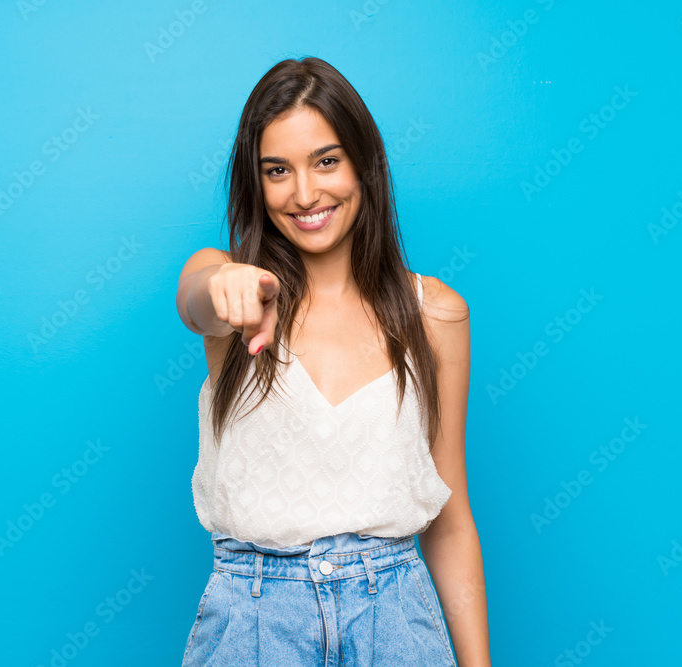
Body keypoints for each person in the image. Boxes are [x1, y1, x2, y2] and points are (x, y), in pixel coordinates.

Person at [175, 56, 491, 666]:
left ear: (363, 165)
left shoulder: (436, 313)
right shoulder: (231, 290)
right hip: (255, 625)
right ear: (256, 183)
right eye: (277, 170)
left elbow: (450, 522)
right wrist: (225, 285)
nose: (305, 193)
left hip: (396, 620)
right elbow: (197, 301)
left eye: (326, 160)